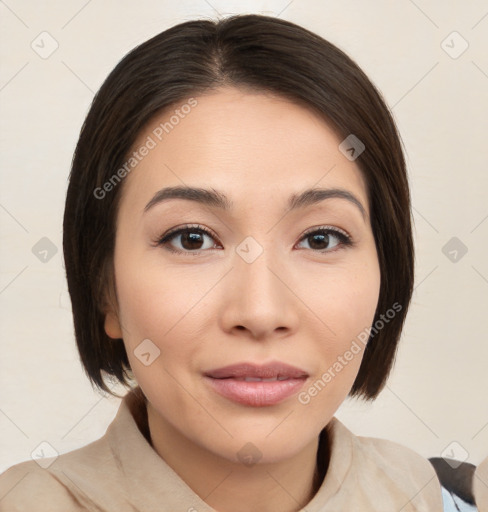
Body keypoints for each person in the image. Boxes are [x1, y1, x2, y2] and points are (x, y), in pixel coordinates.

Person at [0, 14, 444, 511]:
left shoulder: (425, 492)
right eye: (191, 239)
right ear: (105, 286)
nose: (260, 312)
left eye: (320, 239)